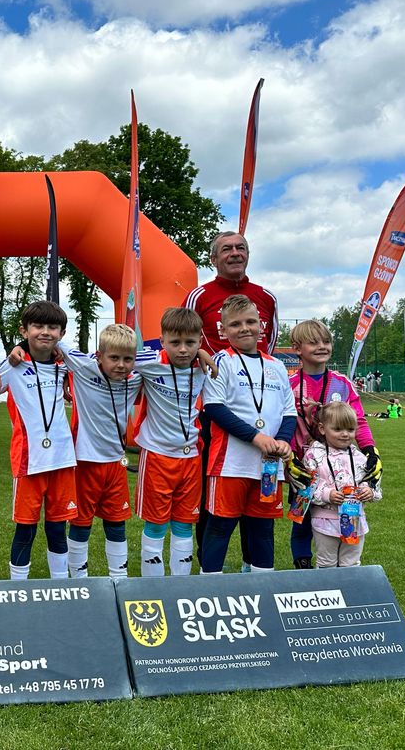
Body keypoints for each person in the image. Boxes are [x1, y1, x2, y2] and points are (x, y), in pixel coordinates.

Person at [184, 231, 279, 569]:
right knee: (215, 497)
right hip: (215, 407)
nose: (235, 253)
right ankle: (210, 565)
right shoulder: (200, 296)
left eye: (241, 248)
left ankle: (253, 566)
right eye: (227, 249)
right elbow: (186, 338)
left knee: (260, 498)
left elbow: (270, 343)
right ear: (213, 258)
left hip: (260, 406)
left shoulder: (265, 296)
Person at [200, 295, 296, 574]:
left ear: (262, 325)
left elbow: (289, 412)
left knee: (263, 528)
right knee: (219, 526)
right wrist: (257, 438)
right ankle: (209, 586)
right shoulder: (221, 361)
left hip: (269, 465)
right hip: (230, 464)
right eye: (235, 324)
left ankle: (262, 586)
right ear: (223, 330)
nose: (244, 328)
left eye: (250, 321)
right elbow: (214, 408)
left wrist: (283, 442)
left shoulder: (277, 366)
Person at [286, 320, 378, 570]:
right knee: (302, 514)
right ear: (297, 348)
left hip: (338, 464)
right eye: (313, 342)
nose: (321, 346)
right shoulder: (289, 385)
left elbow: (358, 419)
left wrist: (370, 450)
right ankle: (303, 564)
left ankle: (346, 561)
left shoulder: (342, 384)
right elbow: (283, 423)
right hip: (302, 465)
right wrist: (289, 458)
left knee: (340, 507)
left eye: (326, 341)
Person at [0, 300, 78, 580]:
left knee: (57, 527)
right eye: (38, 326)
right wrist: (12, 350)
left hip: (62, 459)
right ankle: (18, 588)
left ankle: (61, 586)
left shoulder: (65, 365)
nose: (45, 332)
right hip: (28, 461)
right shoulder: (12, 365)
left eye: (53, 327)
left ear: (62, 333)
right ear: (24, 329)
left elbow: (100, 364)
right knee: (26, 528)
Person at [56, 323, 143, 578]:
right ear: (99, 355)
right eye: (114, 358)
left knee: (117, 523)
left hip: (116, 463)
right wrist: (19, 346)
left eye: (128, 359)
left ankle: (119, 579)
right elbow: (56, 341)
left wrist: (201, 353)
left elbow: (168, 357)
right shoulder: (84, 367)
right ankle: (79, 581)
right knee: (81, 523)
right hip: (85, 462)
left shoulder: (137, 377)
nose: (121, 365)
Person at [130, 308, 209, 577]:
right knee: (155, 524)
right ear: (162, 341)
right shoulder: (150, 361)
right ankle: (152, 585)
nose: (183, 350)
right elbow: (109, 354)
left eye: (190, 343)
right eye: (175, 343)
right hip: (157, 456)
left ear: (200, 341)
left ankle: (180, 585)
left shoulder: (204, 367)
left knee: (185, 523)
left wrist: (204, 354)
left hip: (191, 458)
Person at [304, 401, 382, 568]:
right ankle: (328, 593)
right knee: (327, 564)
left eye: (350, 429)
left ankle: (350, 593)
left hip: (355, 519)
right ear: (322, 429)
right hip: (325, 520)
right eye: (338, 429)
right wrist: (327, 495)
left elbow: (373, 481)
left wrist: (369, 490)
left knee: (351, 564)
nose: (345, 434)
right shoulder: (313, 455)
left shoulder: (361, 457)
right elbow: (306, 487)